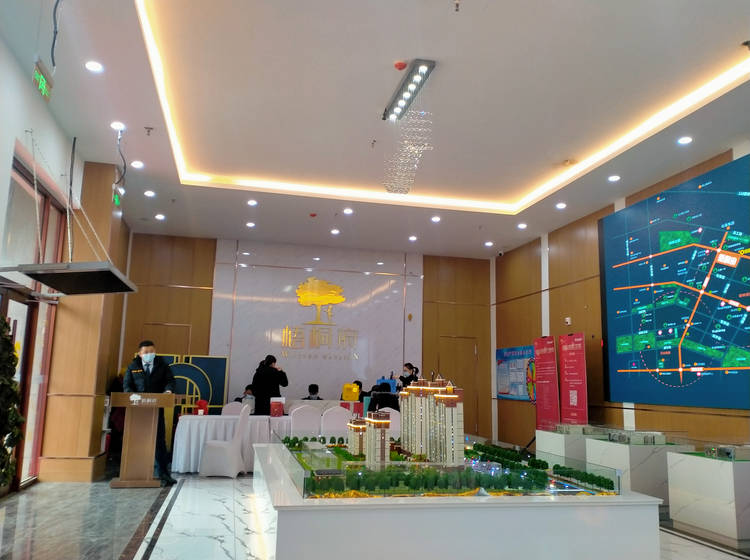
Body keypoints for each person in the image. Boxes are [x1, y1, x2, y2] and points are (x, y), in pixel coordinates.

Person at [123, 340, 177, 486]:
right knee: (137, 441)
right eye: (146, 352)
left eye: (152, 351)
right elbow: (127, 385)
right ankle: (134, 473)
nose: (149, 354)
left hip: (156, 408)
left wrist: (168, 390)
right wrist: (131, 395)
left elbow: (170, 381)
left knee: (159, 441)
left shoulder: (162, 365)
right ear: (140, 354)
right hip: (137, 410)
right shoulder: (133, 366)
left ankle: (163, 474)